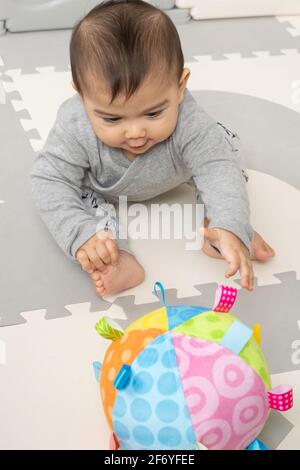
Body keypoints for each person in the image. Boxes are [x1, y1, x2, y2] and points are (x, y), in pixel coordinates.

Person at [30, 0, 275, 296]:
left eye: (153, 113)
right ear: (82, 96)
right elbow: (49, 180)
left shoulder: (189, 120)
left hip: (179, 168)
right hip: (104, 184)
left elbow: (216, 168)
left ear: (180, 85)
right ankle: (117, 259)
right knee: (78, 196)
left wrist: (230, 222)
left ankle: (220, 233)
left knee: (224, 147)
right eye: (112, 118)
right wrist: (81, 234)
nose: (135, 132)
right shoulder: (74, 123)